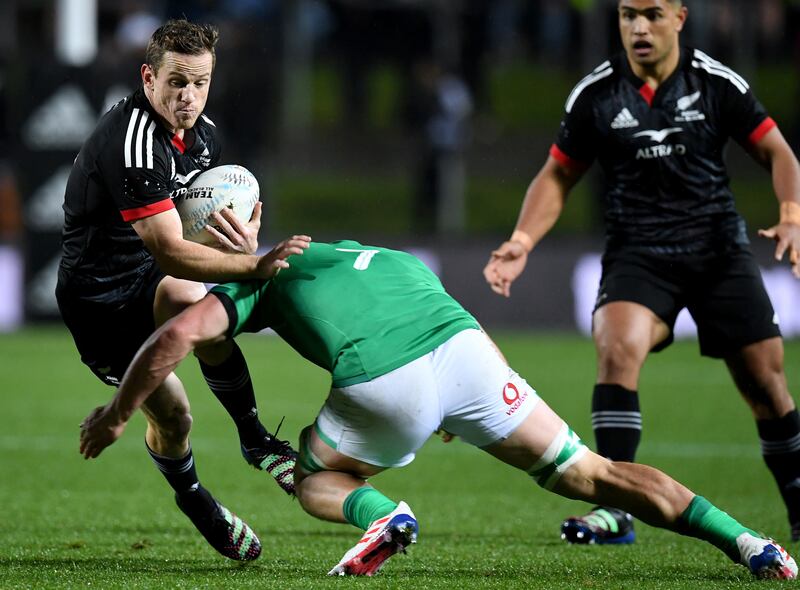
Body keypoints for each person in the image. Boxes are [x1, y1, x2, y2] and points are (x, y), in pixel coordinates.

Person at [79, 240, 797, 580]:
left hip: (385, 380)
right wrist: (463, 403)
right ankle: (752, 545)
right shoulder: (369, 251)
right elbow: (435, 296)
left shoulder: (248, 282)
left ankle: (382, 516)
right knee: (593, 472)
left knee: (312, 472)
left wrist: (117, 413)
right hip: (470, 354)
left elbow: (176, 336)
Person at [483, 0, 800, 546]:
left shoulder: (715, 81)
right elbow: (558, 173)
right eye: (628, 15)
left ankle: (798, 503)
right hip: (639, 253)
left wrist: (792, 215)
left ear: (679, 18)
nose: (638, 27)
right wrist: (522, 239)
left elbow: (779, 152)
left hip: (717, 251)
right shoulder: (597, 94)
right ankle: (616, 509)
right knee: (616, 346)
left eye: (651, 14)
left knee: (766, 386)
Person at [56, 19, 298, 562]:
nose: (188, 97)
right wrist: (253, 268)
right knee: (174, 418)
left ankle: (255, 437)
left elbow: (199, 230)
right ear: (149, 77)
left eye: (200, 82)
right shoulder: (135, 140)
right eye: (177, 82)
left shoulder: (203, 135)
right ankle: (194, 499)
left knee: (195, 302)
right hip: (99, 303)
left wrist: (238, 245)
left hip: (149, 279)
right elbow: (169, 248)